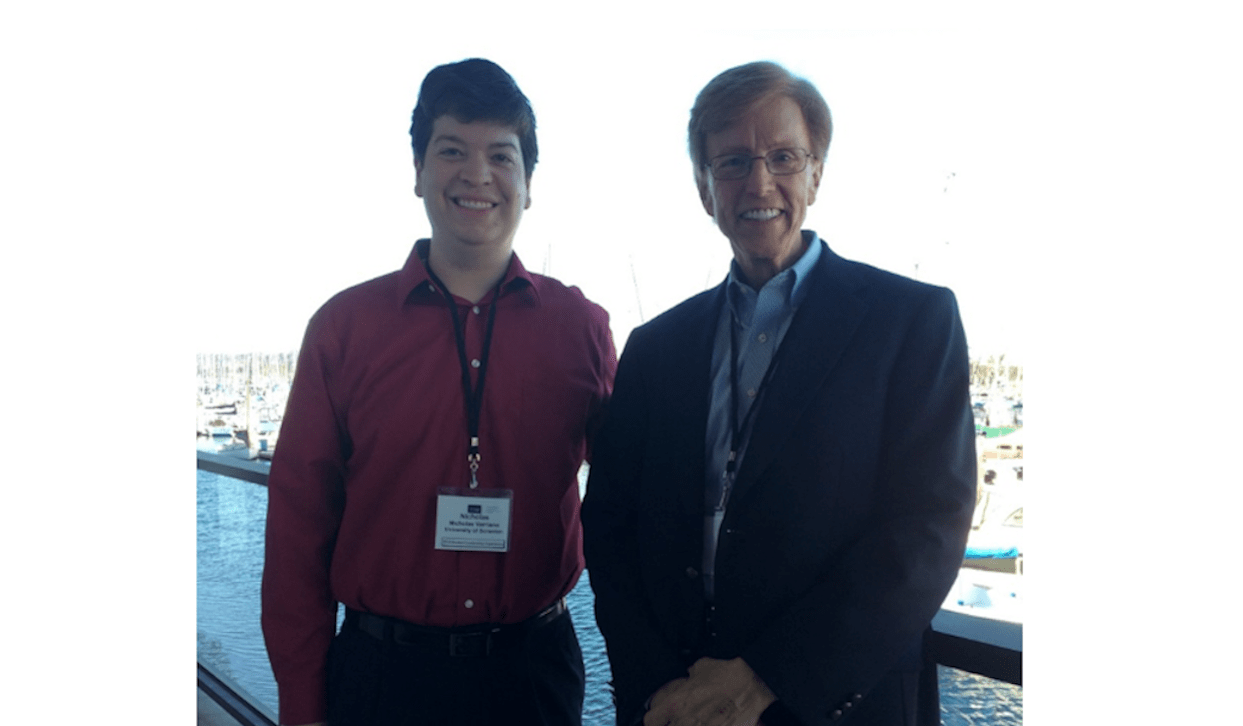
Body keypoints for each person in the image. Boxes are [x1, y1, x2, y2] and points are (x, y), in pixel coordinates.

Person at [581, 61, 976, 726]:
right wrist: (656, 690)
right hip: (677, 707)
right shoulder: (655, 348)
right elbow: (612, 528)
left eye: (783, 157)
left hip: (834, 704)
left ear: (816, 173)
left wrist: (764, 680)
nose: (758, 182)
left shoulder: (911, 321)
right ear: (705, 189)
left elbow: (927, 528)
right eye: (732, 161)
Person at [262, 58, 616, 726]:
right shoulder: (343, 329)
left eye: (500, 155)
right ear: (419, 171)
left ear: (528, 183)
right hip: (381, 680)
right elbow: (295, 537)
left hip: (531, 677)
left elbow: (631, 512)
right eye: (451, 150)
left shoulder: (583, 329)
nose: (477, 174)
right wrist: (302, 709)